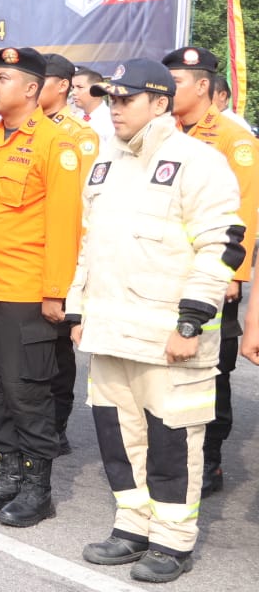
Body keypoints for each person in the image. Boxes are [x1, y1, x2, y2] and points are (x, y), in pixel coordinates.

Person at [68, 59, 244, 583]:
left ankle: (172, 540)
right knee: (118, 439)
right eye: (111, 99)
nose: (114, 108)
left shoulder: (199, 162)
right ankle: (132, 527)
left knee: (173, 444)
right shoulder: (104, 164)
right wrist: (79, 309)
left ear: (160, 104)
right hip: (109, 334)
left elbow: (222, 247)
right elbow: (89, 247)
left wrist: (191, 322)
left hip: (170, 339)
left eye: (125, 99)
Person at [0, 47, 82, 528]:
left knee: (26, 390)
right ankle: (8, 473)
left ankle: (37, 488)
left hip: (26, 291)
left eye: (2, 77)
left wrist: (55, 292)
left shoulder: (55, 144)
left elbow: (65, 222)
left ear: (31, 88)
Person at [160, 46, 259, 496]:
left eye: (176, 81)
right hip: (163, 275)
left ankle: (210, 461)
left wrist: (233, 277)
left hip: (211, 275)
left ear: (203, 86)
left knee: (210, 372)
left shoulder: (232, 138)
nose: (167, 89)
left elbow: (245, 210)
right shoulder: (161, 132)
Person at [39, 53, 100, 455]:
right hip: (25, 257)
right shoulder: (17, 131)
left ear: (62, 85)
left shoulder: (81, 136)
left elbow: (86, 207)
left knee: (56, 347)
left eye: (38, 79)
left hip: (62, 256)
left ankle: (55, 425)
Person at [72, 67, 114, 145]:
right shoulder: (75, 118)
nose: (74, 92)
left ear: (96, 89)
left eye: (80, 87)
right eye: (73, 87)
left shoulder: (111, 121)